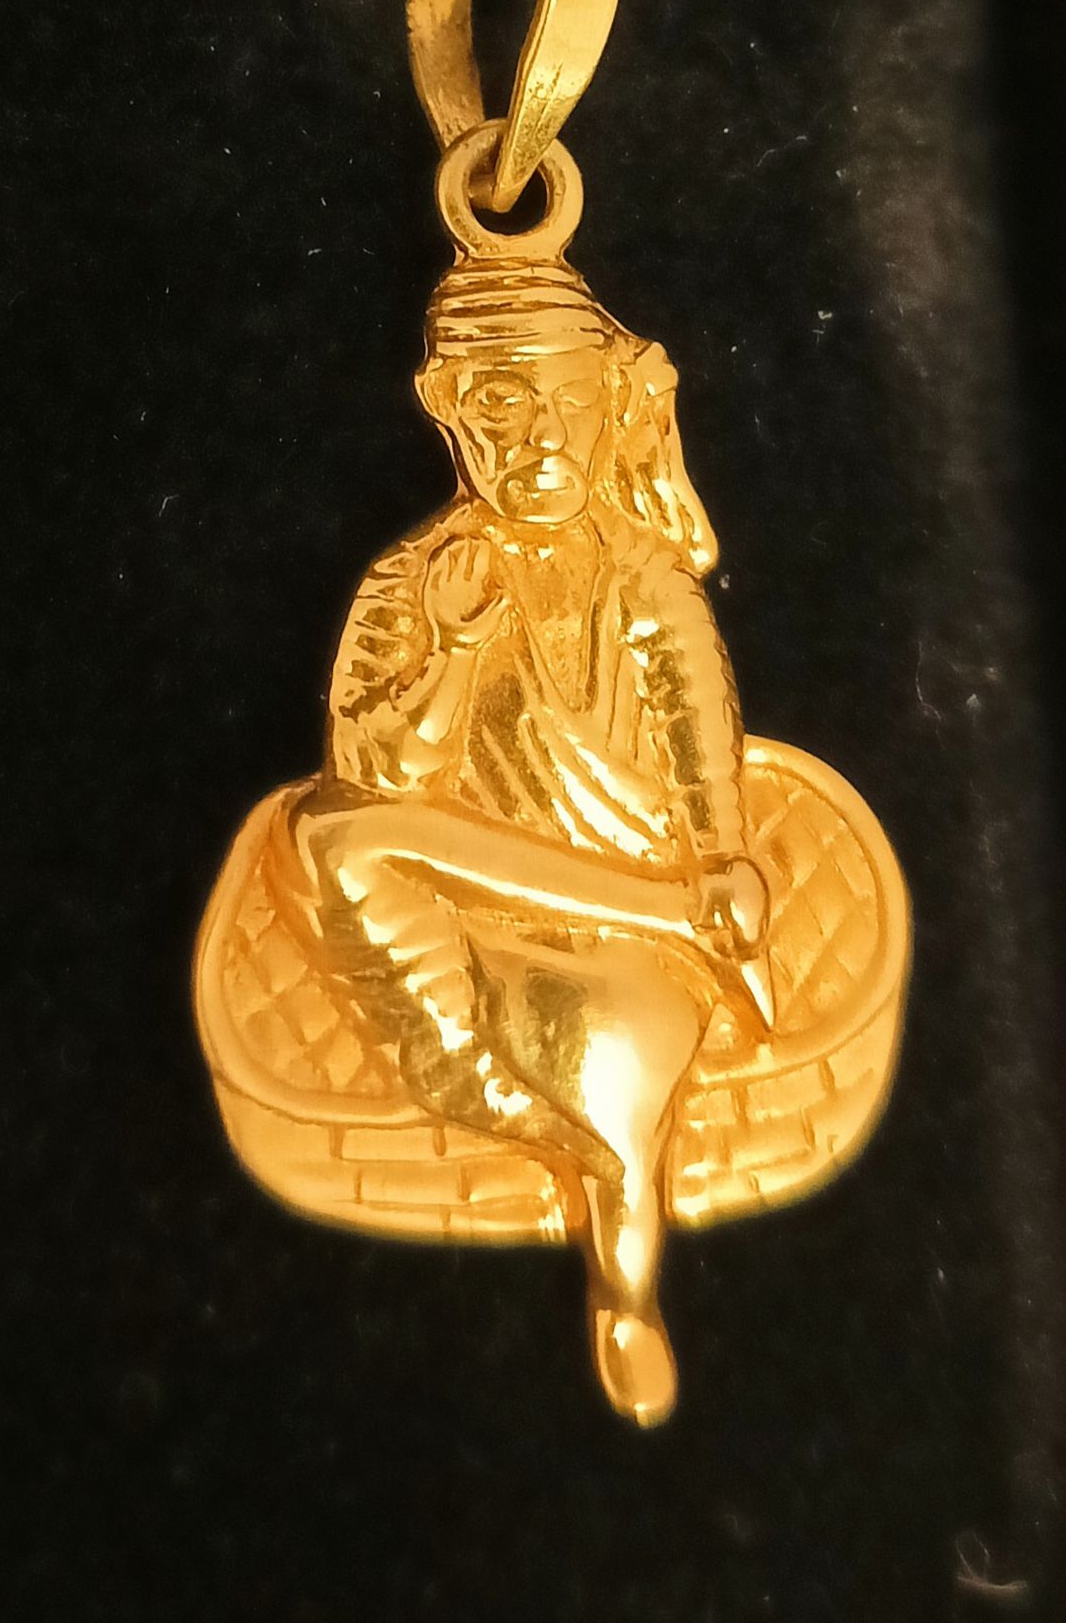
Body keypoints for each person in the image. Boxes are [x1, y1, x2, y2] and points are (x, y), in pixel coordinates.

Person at [289, 252, 773, 1425]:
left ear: (610, 405)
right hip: (468, 936)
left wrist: (722, 861)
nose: (545, 437)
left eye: (570, 402)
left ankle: (626, 1284)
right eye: (506, 405)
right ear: (447, 404)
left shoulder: (645, 576)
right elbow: (377, 775)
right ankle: (582, 1151)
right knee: (330, 834)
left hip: (625, 951)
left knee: (622, 1102)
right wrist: (455, 649)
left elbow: (699, 739)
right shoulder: (409, 577)